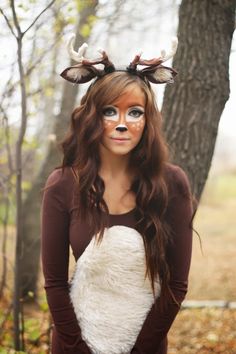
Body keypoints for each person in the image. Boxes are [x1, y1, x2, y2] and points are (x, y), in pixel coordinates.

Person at [41, 34, 193, 354]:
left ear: (147, 120)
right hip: (74, 346)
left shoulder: (172, 183)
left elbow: (176, 285)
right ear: (92, 117)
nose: (122, 124)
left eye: (134, 112)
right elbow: (54, 284)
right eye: (110, 111)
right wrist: (77, 347)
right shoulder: (62, 185)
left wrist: (141, 350)